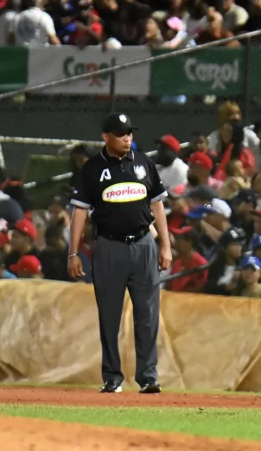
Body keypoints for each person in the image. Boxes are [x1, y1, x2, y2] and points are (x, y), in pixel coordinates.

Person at [68, 112, 172, 394]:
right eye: (121, 133)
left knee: (148, 314)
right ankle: (112, 377)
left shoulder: (144, 163)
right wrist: (73, 252)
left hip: (143, 244)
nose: (128, 137)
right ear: (106, 137)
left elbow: (158, 206)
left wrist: (165, 245)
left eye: (129, 133)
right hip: (109, 246)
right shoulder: (91, 168)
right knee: (109, 315)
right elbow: (79, 211)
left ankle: (148, 376)